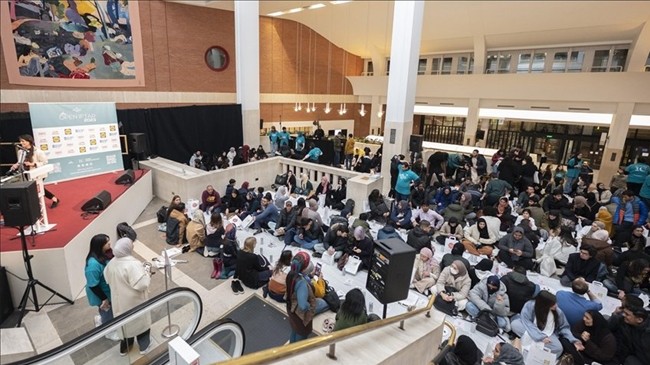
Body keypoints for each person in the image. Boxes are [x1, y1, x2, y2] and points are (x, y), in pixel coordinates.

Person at [103, 238, 153, 356]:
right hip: (134, 301)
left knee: (124, 326)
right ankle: (144, 347)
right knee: (140, 324)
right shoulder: (132, 264)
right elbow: (142, 284)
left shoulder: (111, 263)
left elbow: (107, 278)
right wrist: (147, 273)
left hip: (119, 302)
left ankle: (124, 349)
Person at [511, 290, 583, 358]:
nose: (556, 306)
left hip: (548, 333)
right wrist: (540, 337)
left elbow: (564, 327)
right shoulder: (530, 305)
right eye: (553, 304)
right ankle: (536, 345)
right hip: (531, 329)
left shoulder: (558, 312)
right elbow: (526, 322)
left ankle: (538, 354)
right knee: (515, 324)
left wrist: (574, 340)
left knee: (558, 348)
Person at [9, 134, 60, 208]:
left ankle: (48, 201)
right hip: (26, 173)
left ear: (29, 141)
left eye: (23, 141)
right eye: (20, 141)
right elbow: (20, 161)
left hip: (38, 173)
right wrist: (16, 165)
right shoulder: (20, 152)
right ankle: (54, 199)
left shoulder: (38, 151)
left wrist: (33, 164)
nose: (21, 143)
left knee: (37, 188)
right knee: (37, 188)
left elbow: (45, 162)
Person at [286, 252, 317, 343]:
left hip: (291, 309)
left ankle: (291, 345)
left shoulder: (291, 274)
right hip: (301, 316)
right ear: (305, 267)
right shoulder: (302, 283)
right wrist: (310, 306)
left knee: (294, 330)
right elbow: (303, 305)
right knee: (301, 338)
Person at [608, 297, 650, 365]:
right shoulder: (625, 321)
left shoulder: (647, 335)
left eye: (627, 314)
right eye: (624, 313)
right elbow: (608, 327)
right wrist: (615, 314)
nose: (624, 315)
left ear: (639, 320)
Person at [85, 234, 114, 326]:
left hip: (107, 289)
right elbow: (93, 285)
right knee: (107, 311)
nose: (109, 243)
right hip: (100, 293)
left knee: (109, 310)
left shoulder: (106, 254)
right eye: (106, 242)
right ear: (99, 246)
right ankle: (108, 329)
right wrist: (104, 299)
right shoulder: (93, 265)